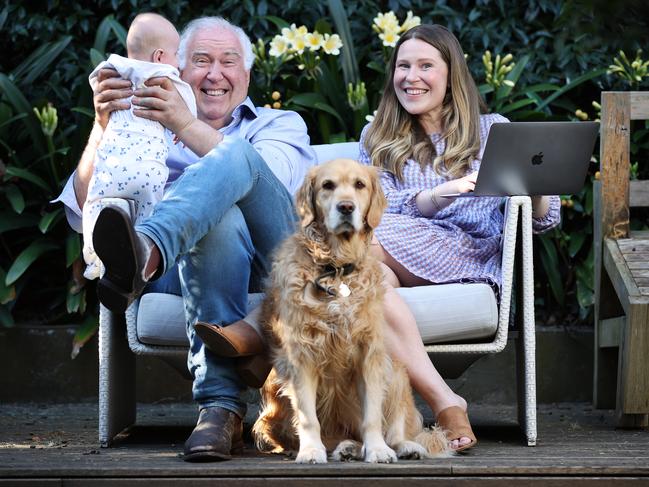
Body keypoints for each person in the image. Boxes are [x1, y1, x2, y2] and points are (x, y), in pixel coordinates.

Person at [55, 15, 316, 461]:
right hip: (181, 270)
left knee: (241, 162)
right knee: (219, 223)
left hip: (269, 264)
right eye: (201, 60)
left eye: (228, 61)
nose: (215, 74)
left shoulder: (280, 123)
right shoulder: (138, 124)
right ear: (174, 66)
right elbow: (83, 214)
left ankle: (148, 250)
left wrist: (184, 122)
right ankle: (219, 411)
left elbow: (270, 183)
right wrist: (102, 126)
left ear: (247, 76)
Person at [359, 24, 561, 452]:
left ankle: (258, 332)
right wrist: (436, 195)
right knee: (365, 280)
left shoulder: (492, 130)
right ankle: (444, 400)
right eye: (403, 66)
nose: (410, 76)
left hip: (466, 251)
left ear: (452, 75)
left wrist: (535, 184)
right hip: (394, 245)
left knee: (347, 245)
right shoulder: (377, 137)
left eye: (425, 66)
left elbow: (543, 220)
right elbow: (376, 207)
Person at [82, 13, 196, 280]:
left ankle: (93, 257)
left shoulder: (112, 69)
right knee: (150, 212)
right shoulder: (165, 76)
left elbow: (95, 78)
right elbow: (185, 98)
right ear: (159, 56)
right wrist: (185, 122)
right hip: (148, 171)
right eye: (178, 55)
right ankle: (143, 256)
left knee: (94, 204)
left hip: (111, 170)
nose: (180, 65)